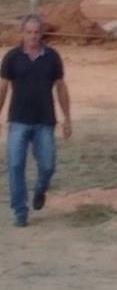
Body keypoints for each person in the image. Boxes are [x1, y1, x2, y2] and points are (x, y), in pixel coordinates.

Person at [0, 14, 72, 227]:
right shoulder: (12, 57)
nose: (32, 36)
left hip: (44, 121)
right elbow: (3, 88)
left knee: (48, 165)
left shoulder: (52, 57)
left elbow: (61, 87)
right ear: (22, 33)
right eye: (29, 32)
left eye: (36, 32)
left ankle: (40, 189)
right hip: (18, 120)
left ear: (42, 33)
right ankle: (20, 211)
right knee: (15, 165)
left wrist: (67, 118)